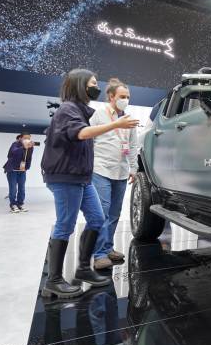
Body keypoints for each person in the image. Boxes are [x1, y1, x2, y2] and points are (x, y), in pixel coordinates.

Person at [41, 69, 139, 299]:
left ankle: (84, 268)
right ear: (80, 85)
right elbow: (82, 134)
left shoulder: (81, 110)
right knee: (65, 224)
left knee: (97, 218)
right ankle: (53, 281)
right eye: (93, 83)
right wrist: (115, 126)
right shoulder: (68, 110)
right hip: (66, 176)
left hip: (82, 177)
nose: (96, 87)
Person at [90, 78, 138, 270]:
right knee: (101, 212)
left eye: (128, 97)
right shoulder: (99, 115)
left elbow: (133, 146)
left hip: (121, 171)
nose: (125, 100)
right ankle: (99, 254)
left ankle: (108, 247)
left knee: (114, 213)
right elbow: (88, 138)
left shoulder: (129, 119)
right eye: (122, 96)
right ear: (111, 97)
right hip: (100, 169)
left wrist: (134, 168)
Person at [3, 132, 34, 213]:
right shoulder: (15, 144)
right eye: (25, 138)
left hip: (22, 170)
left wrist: (27, 167)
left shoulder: (30, 147)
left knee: (22, 188)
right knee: (13, 188)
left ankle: (20, 204)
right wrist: (23, 147)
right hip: (12, 170)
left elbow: (29, 158)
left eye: (29, 138)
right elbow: (11, 154)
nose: (27, 140)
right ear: (20, 138)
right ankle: (13, 205)